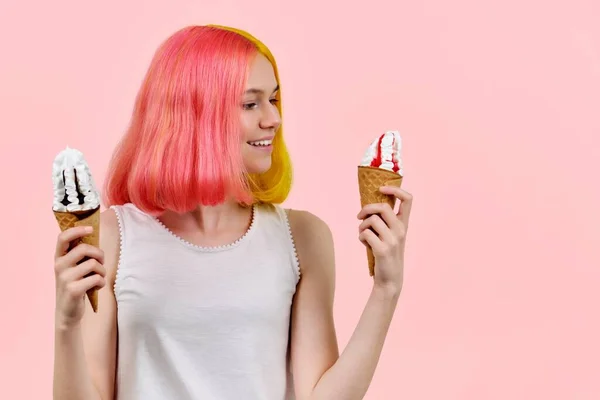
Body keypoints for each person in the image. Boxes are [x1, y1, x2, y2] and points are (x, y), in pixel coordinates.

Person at [52, 24, 413, 400]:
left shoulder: (303, 238)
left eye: (274, 99)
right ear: (195, 114)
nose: (273, 119)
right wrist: (66, 325)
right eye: (251, 103)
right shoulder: (112, 238)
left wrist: (386, 290)